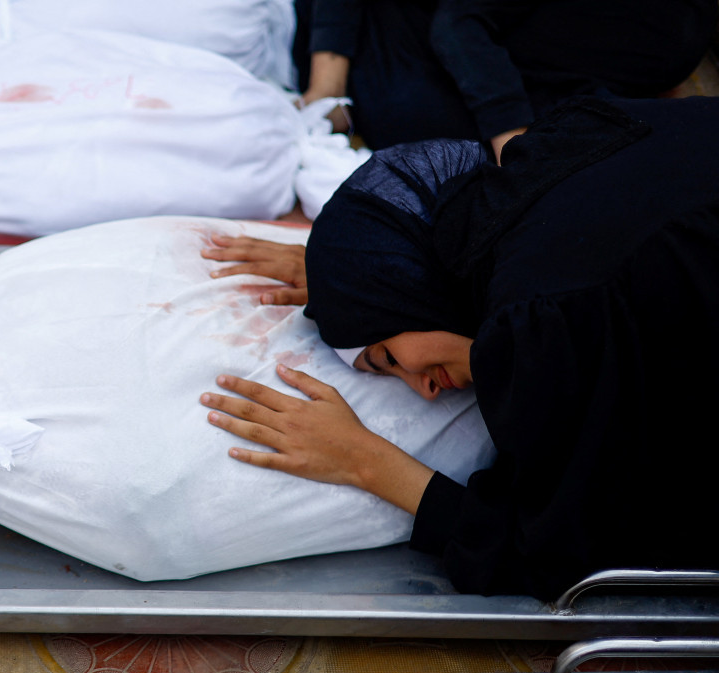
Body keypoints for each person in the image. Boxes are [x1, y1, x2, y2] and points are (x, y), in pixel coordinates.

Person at [200, 94, 719, 598]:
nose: (424, 391)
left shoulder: (542, 319)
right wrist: (354, 273)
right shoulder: (565, 139)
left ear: (403, 290)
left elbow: (559, 552)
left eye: (386, 358)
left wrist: (362, 459)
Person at [294, 0, 717, 156]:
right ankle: (327, 95)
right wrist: (511, 143)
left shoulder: (682, 36)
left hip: (476, 82)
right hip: (398, 56)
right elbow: (458, 23)